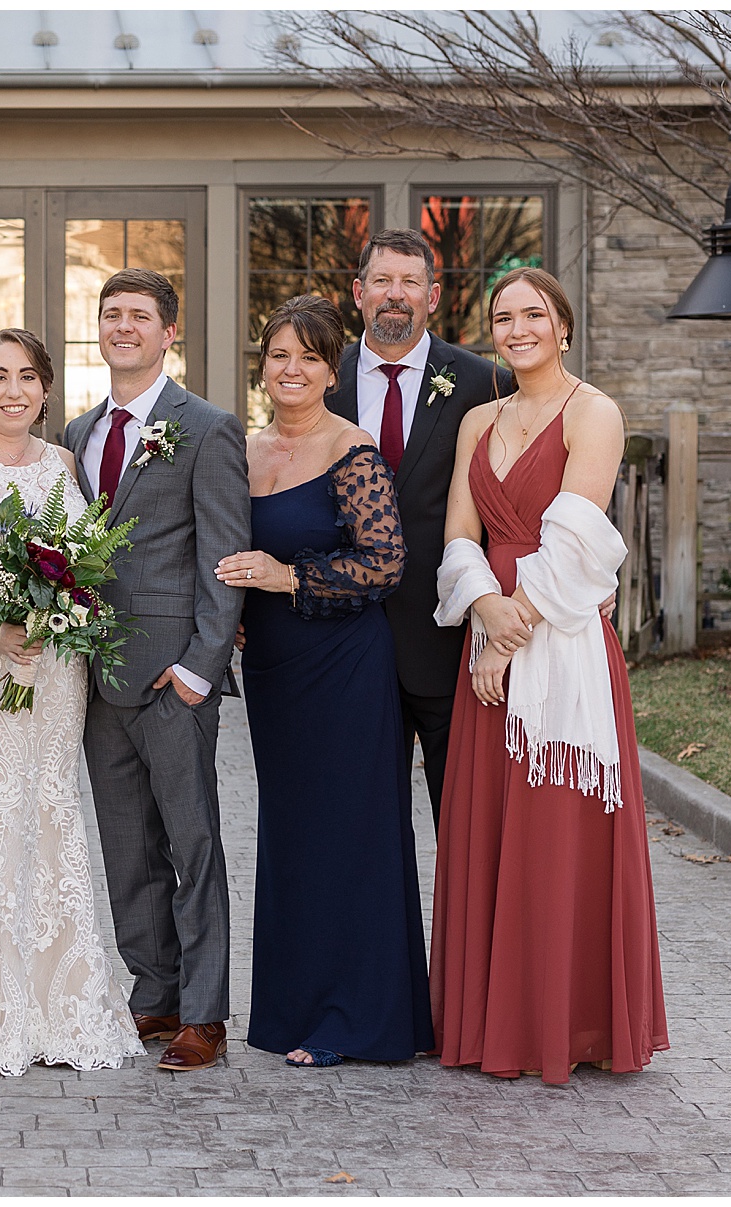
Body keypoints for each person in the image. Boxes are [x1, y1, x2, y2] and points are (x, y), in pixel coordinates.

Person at [430, 268, 668, 1084]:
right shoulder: (476, 420)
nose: (518, 327)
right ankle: (492, 1021)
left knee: (557, 835)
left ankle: (569, 1023)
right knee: (494, 830)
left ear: (563, 326)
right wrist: (481, 611)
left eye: (534, 314)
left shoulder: (593, 412)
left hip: (558, 642)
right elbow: (459, 533)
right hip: (490, 627)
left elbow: (574, 535)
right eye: (503, 316)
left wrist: (507, 633)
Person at [0, 329, 145, 1077]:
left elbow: (85, 563)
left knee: (47, 812)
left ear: (46, 388)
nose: (14, 390)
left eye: (28, 377)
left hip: (51, 668)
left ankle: (57, 1001)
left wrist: (60, 615)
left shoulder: (65, 463)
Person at [215, 294, 434, 1068]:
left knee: (353, 833)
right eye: (280, 355)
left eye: (309, 356)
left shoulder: (354, 450)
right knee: (292, 836)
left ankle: (358, 1018)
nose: (293, 369)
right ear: (262, 365)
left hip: (345, 667)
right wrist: (236, 606)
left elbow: (384, 564)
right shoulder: (240, 451)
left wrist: (285, 578)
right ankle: (293, 1009)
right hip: (274, 669)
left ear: (332, 368)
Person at [61, 268, 248, 1073]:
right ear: (98, 330)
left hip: (174, 677)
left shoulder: (206, 427)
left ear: (170, 332)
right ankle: (156, 991)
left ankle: (204, 1012)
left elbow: (224, 556)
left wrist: (200, 668)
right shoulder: (75, 433)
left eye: (140, 315)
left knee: (191, 841)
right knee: (126, 846)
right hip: (95, 673)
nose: (123, 326)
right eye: (111, 315)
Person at [328, 230, 515, 829]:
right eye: (382, 281)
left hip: (443, 638)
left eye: (411, 283)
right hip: (343, 640)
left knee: (459, 821)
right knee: (360, 828)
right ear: (358, 293)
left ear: (433, 296)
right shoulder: (319, 378)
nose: (395, 295)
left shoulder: (483, 382)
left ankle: (459, 928)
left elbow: (525, 492)